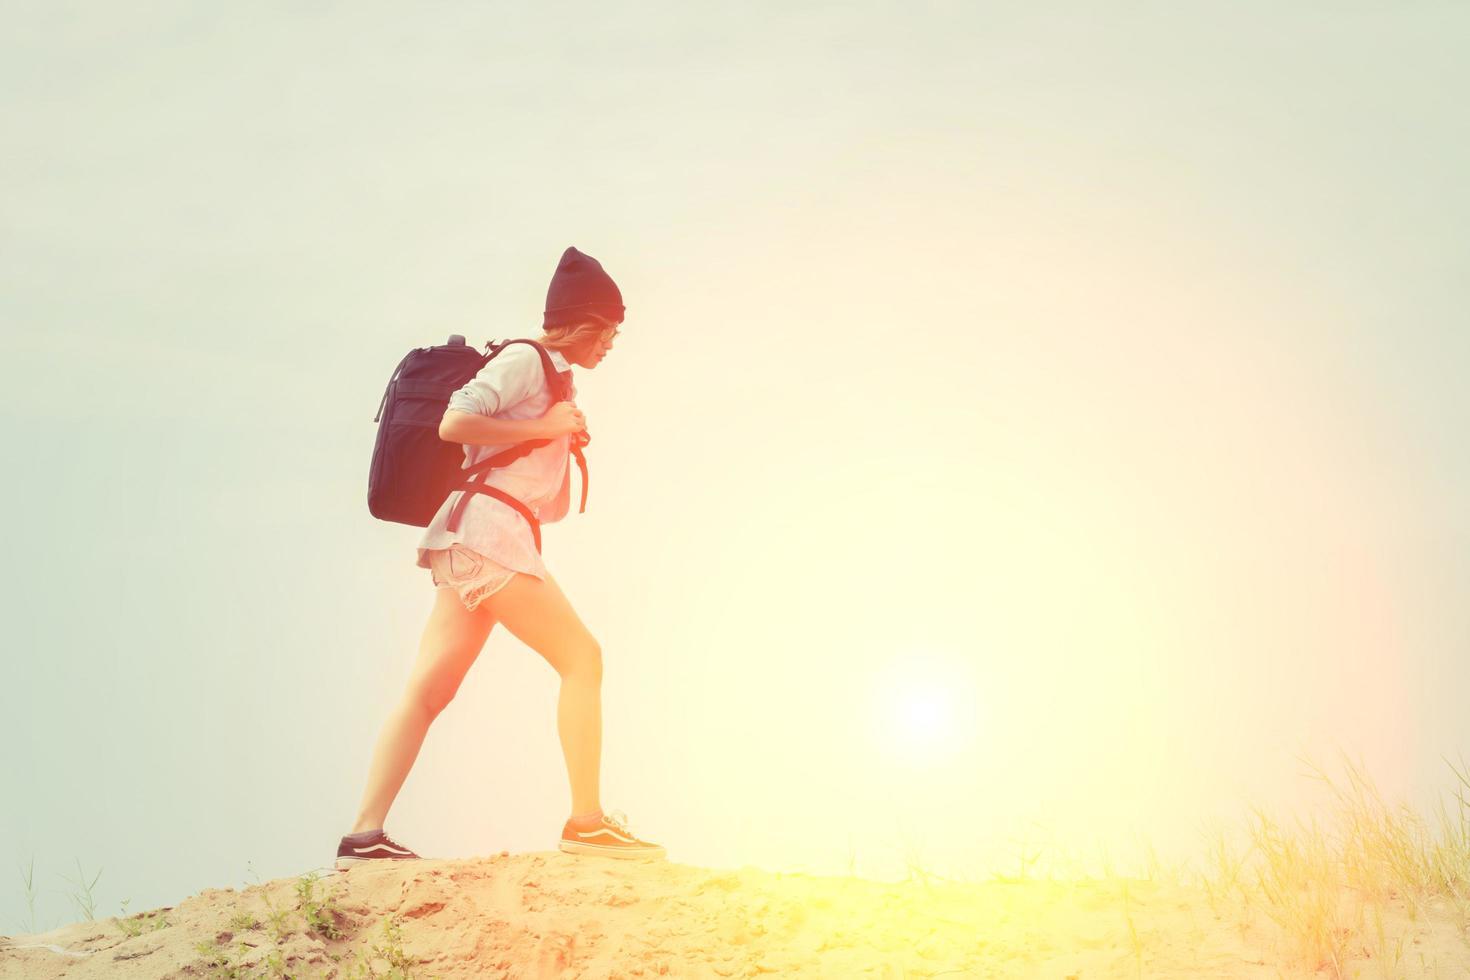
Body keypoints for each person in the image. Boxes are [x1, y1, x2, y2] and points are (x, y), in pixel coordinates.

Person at [336, 246, 665, 868]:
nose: (613, 345)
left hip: (473, 537)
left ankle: (362, 837)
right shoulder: (525, 359)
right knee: (582, 658)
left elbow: (538, 484)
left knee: (429, 692)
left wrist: (557, 429)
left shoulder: (552, 377)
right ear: (588, 322)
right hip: (488, 534)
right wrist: (544, 429)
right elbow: (455, 424)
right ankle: (587, 824)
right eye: (612, 331)